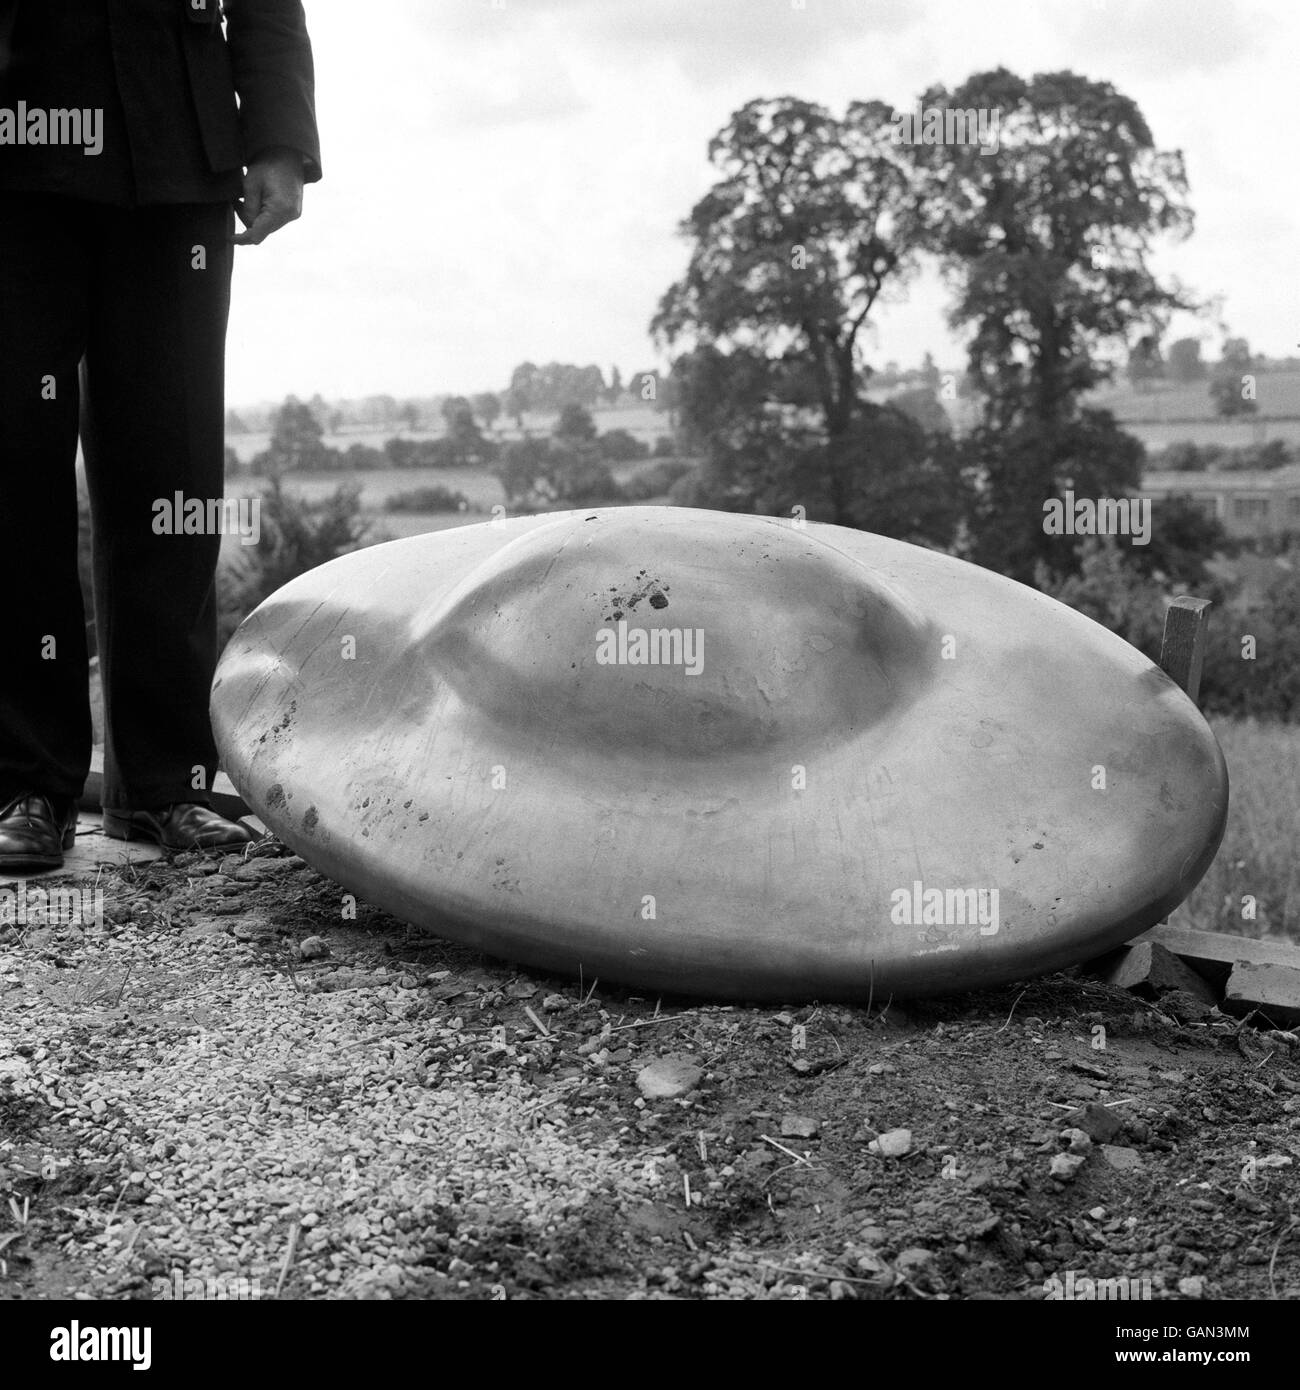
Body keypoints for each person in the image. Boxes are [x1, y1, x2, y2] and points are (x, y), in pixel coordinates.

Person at [0, 0, 321, 869]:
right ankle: (24, 780)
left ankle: (165, 785)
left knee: (171, 476)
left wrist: (279, 140)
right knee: (12, 474)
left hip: (175, 145)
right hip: (14, 139)